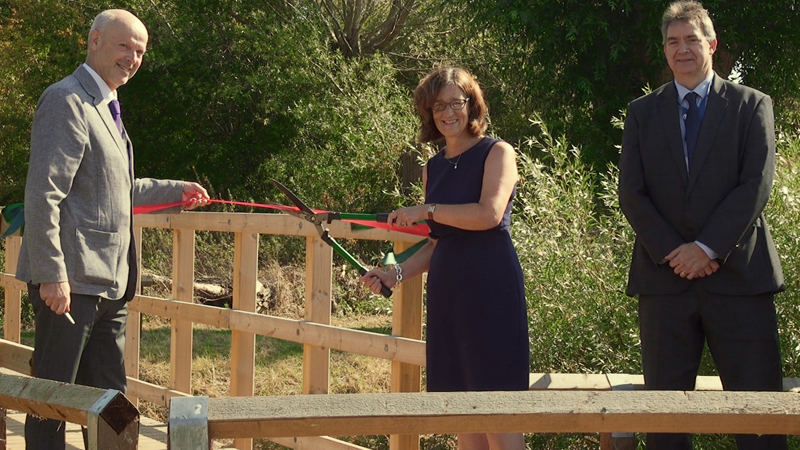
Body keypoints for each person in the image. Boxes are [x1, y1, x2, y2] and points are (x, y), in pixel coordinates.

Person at [16, 9, 209, 449]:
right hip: (69, 286)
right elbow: (43, 194)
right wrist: (51, 274)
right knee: (52, 403)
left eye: (139, 51)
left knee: (112, 404)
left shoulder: (107, 106)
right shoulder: (66, 99)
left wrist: (176, 191)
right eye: (124, 46)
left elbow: (116, 188)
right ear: (95, 41)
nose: (132, 58)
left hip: (111, 286)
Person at [618, 1, 786, 449]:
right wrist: (677, 253)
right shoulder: (642, 112)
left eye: (692, 39)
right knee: (665, 424)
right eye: (673, 41)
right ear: (664, 50)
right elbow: (631, 192)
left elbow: (756, 184)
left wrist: (707, 248)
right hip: (664, 282)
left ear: (711, 45)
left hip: (739, 280)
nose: (682, 49)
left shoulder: (752, 105)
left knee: (759, 421)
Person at [360, 67, 529, 450]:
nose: (447, 112)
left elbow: (488, 214)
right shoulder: (432, 167)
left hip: (491, 294)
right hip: (448, 299)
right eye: (438, 106)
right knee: (462, 418)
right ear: (428, 112)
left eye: (456, 102)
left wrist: (427, 210)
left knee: (498, 416)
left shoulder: (497, 152)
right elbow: (438, 244)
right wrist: (394, 273)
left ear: (472, 105)